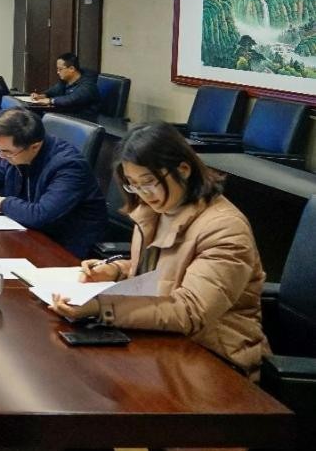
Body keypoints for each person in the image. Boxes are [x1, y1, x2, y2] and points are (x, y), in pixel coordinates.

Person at [50, 122, 267, 377]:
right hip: (162, 340)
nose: (143, 194)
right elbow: (162, 271)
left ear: (183, 170)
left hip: (214, 358)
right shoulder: (157, 209)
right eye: (133, 184)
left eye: (149, 182)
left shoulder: (225, 229)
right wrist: (116, 270)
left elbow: (191, 311)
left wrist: (101, 308)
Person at [0, 108, 107, 258]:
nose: (1, 156)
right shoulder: (18, 152)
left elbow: (41, 215)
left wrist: (2, 202)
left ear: (35, 146)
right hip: (28, 233)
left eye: (6, 151)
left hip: (65, 249)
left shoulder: (70, 166)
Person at [29, 52, 100, 120]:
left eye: (60, 69)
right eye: (57, 69)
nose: (57, 72)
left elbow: (71, 99)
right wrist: (42, 95)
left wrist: (50, 100)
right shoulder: (65, 80)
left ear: (71, 69)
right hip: (67, 113)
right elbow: (54, 91)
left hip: (83, 119)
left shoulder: (88, 85)